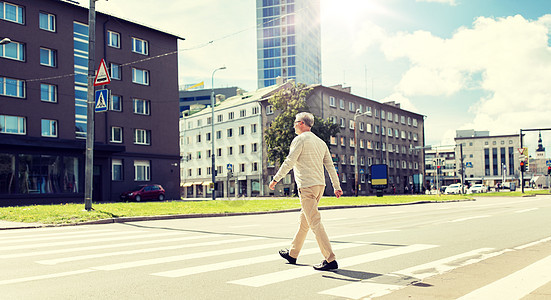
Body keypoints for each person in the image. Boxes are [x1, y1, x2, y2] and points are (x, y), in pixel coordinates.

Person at [269, 112, 343, 271]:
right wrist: (336, 186)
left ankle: (330, 259)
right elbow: (330, 166)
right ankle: (293, 253)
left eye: (295, 122)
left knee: (314, 221)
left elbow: (289, 161)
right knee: (305, 221)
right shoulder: (321, 142)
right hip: (319, 187)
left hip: (307, 186)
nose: (294, 125)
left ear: (302, 123)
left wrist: (276, 179)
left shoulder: (300, 139)